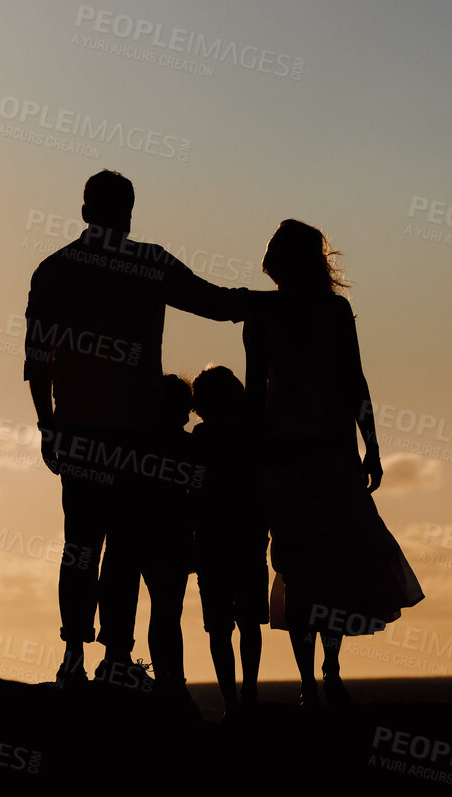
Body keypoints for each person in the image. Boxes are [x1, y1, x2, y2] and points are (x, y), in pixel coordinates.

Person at [24, 170, 251, 686]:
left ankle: (78, 658)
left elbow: (38, 360)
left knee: (82, 545)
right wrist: (272, 301)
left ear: (85, 212)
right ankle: (112, 658)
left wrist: (47, 423)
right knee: (121, 549)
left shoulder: (54, 270)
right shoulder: (146, 263)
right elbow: (215, 303)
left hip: (82, 429)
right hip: (134, 433)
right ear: (127, 213)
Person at [243, 220, 423, 707]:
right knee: (317, 565)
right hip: (310, 456)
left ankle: (320, 673)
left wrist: (372, 446)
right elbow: (350, 383)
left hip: (305, 456)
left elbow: (259, 392)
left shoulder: (283, 312)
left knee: (312, 567)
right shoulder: (319, 311)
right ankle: (319, 674)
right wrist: (372, 447)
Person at [96, 374, 201, 715]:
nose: (188, 416)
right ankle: (169, 682)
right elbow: (198, 495)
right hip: (166, 535)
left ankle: (124, 665)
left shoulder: (127, 442)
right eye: (185, 409)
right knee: (165, 612)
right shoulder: (184, 446)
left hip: (138, 531)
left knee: (131, 599)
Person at [190, 365, 269, 717]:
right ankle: (243, 697)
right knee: (241, 624)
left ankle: (235, 701)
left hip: (217, 540)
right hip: (240, 538)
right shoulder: (249, 437)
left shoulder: (201, 441)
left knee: (223, 627)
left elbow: (191, 493)